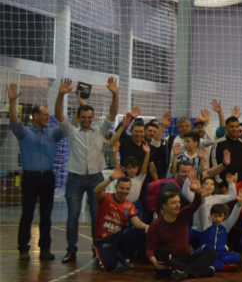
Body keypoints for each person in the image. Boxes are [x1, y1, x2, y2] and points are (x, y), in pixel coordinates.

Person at [55, 76, 120, 263]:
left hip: (95, 179)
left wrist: (115, 94)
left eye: (90, 117)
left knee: (96, 216)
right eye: (83, 117)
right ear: (79, 118)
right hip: (74, 178)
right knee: (73, 216)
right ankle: (71, 250)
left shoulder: (100, 131)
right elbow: (59, 114)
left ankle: (96, 249)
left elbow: (113, 113)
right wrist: (60, 95)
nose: (86, 120)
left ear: (92, 118)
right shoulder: (71, 132)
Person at [8, 82, 65, 261]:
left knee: (46, 215)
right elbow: (14, 122)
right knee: (27, 213)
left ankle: (45, 249)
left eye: (48, 114)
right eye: (45, 114)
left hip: (48, 177)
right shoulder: (25, 133)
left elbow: (65, 125)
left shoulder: (52, 133)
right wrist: (11, 102)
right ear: (35, 116)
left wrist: (61, 96)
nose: (48, 117)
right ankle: (23, 248)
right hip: (31, 178)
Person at [146, 186, 215, 281]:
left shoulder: (183, 215)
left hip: (185, 257)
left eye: (178, 202)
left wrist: (197, 192)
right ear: (164, 206)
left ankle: (183, 273)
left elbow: (195, 204)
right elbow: (150, 249)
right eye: (173, 203)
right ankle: (197, 271)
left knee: (211, 253)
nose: (178, 205)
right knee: (161, 253)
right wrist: (154, 262)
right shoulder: (155, 225)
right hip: (170, 259)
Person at [92, 166, 150, 272]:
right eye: (122, 188)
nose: (124, 191)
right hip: (104, 239)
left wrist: (148, 227)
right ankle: (102, 255)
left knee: (142, 233)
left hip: (118, 238)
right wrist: (110, 179)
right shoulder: (106, 198)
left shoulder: (129, 205)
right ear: (116, 187)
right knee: (110, 267)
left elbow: (136, 223)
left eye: (127, 189)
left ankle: (122, 255)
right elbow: (96, 191)